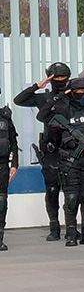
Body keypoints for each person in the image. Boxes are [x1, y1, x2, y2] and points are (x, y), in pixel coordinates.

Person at [14, 62, 71, 241]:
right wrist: (38, 85)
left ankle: (72, 227)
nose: (60, 80)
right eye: (57, 77)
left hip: (71, 148)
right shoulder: (43, 98)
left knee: (73, 192)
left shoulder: (72, 96)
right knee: (52, 190)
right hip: (51, 149)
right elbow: (19, 100)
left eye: (63, 77)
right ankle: (54, 227)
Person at [49, 77, 84, 247]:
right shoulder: (63, 112)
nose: (80, 96)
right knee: (72, 198)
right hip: (69, 161)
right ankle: (71, 234)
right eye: (77, 93)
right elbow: (51, 134)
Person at [0, 100, 17, 251]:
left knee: (1, 202)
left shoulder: (5, 117)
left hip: (2, 165)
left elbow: (13, 141)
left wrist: (15, 164)